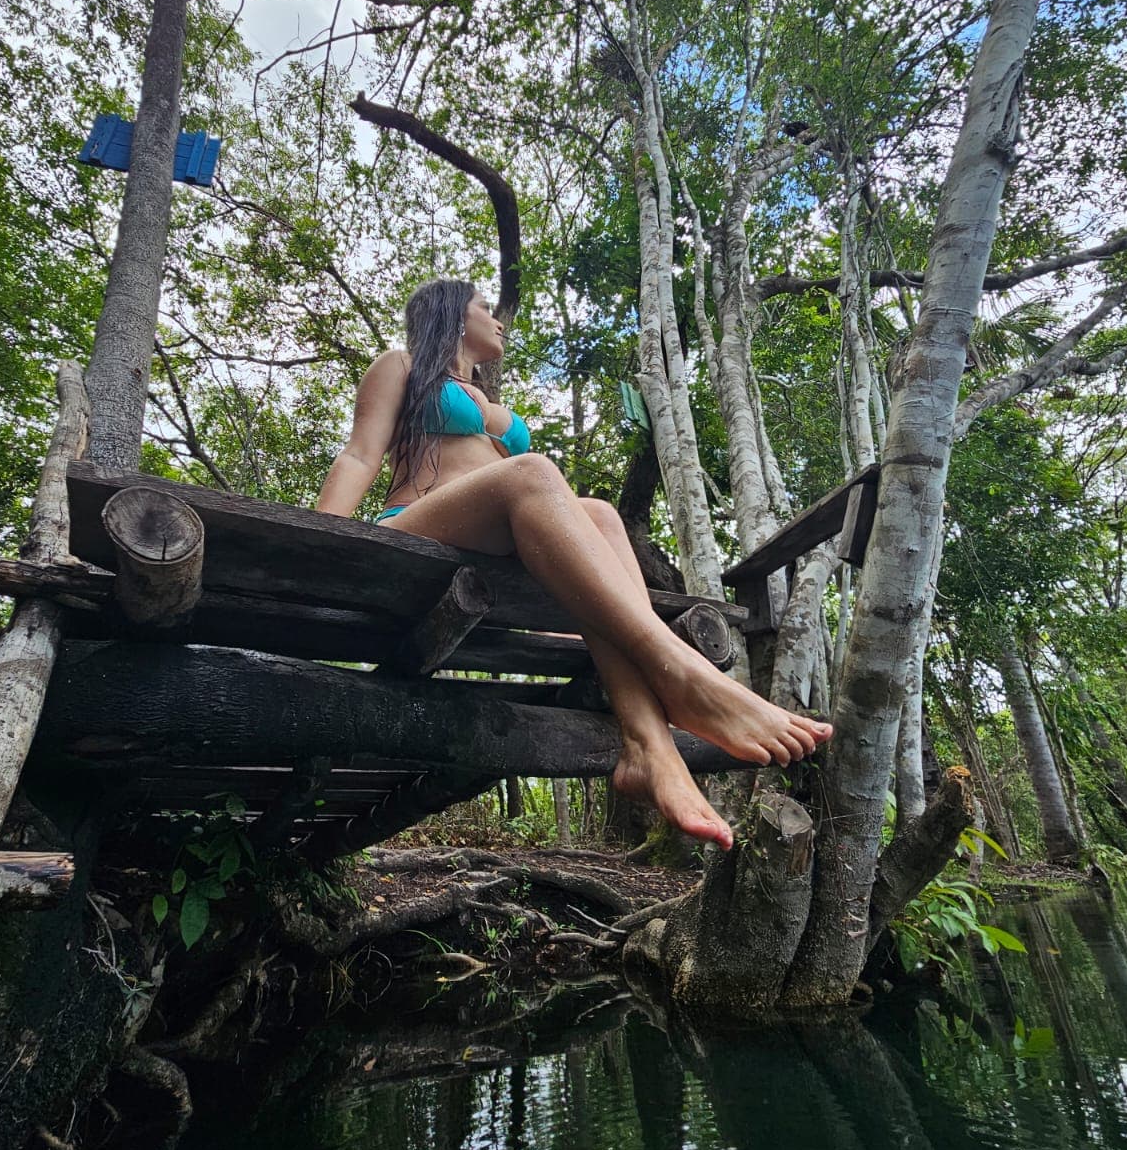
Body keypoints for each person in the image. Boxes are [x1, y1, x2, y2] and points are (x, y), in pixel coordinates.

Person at [316, 277, 832, 849]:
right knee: (533, 471)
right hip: (414, 531)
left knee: (604, 517)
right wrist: (326, 545)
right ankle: (684, 672)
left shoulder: (489, 397)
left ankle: (648, 746)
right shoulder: (402, 365)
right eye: (486, 307)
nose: (499, 319)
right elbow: (360, 452)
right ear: (453, 314)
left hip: (492, 557)